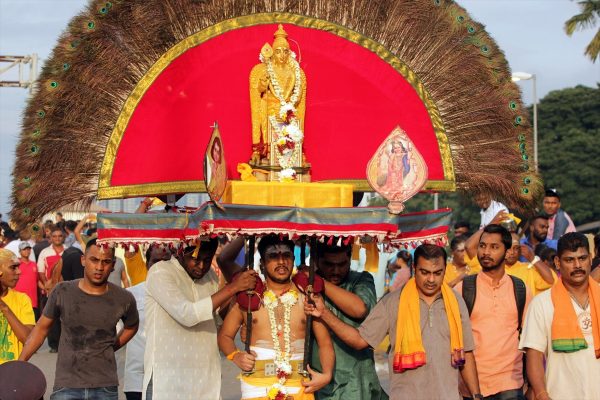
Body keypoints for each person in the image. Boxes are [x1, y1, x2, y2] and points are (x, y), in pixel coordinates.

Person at [305, 244, 481, 400]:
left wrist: (476, 395)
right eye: (424, 272)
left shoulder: (455, 302)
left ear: (444, 270)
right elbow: (359, 340)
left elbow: (466, 352)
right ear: (414, 268)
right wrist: (324, 313)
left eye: (437, 273)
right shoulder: (393, 302)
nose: (431, 280)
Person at [19, 239, 139, 399]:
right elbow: (41, 329)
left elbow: (132, 326)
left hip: (105, 387)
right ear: (83, 260)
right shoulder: (62, 291)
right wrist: (20, 363)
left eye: (106, 262)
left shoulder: (124, 298)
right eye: (94, 260)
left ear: (113, 265)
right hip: (67, 386)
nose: (99, 267)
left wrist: (112, 346)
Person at [218, 235, 335, 400]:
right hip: (256, 388)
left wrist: (327, 374)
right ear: (263, 264)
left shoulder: (308, 296)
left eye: (286, 255)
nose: (281, 262)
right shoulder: (250, 297)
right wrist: (236, 356)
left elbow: (325, 342)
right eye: (273, 256)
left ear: (293, 259)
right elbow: (224, 335)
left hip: (299, 388)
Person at [144, 237, 257, 400]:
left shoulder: (209, 275)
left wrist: (239, 304)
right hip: (167, 382)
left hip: (204, 381)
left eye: (207, 259)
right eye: (195, 259)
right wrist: (233, 288)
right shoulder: (160, 272)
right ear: (181, 251)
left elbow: (214, 321)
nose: (202, 266)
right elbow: (188, 314)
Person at [519, 232, 600, 400]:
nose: (577, 265)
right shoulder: (542, 303)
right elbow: (534, 355)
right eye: (569, 260)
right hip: (560, 394)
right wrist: (541, 394)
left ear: (591, 259)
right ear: (557, 262)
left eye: (582, 258)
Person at [455, 224, 531, 400]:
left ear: (507, 251)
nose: (486, 252)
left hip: (511, 384)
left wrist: (533, 384)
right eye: (482, 246)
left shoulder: (520, 289)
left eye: (494, 247)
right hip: (472, 386)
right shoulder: (464, 288)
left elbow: (530, 340)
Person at [305, 240, 387, 399]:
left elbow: (359, 309)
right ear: (316, 260)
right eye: (329, 264)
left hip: (358, 381)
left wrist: (321, 283)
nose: (336, 270)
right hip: (322, 382)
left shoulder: (361, 280)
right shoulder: (307, 285)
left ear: (350, 259)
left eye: (342, 264)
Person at [250, 24, 307, 162]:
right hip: (270, 109)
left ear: (289, 53)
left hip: (288, 110)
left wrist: (294, 98)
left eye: (285, 51)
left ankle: (292, 155)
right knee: (271, 129)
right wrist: (264, 82)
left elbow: (299, 95)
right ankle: (268, 152)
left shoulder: (295, 72)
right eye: (278, 51)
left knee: (290, 131)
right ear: (273, 52)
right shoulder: (265, 70)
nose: (282, 55)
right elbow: (259, 90)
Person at [123, 245, 171, 400]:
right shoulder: (131, 295)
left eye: (166, 262)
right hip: (137, 379)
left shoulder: (182, 294)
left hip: (171, 378)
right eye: (156, 261)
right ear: (147, 264)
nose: (160, 267)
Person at [0, 249, 35, 364]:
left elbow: (28, 340)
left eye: (18, 267)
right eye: (13, 267)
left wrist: (4, 308)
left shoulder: (22, 299)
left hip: (12, 373)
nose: (19, 272)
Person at [14, 242, 40, 319]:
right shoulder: (16, 264)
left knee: (32, 325)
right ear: (20, 251)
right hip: (18, 301)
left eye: (28, 249)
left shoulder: (34, 264)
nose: (27, 251)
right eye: (24, 249)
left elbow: (37, 281)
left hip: (33, 302)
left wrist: (46, 288)